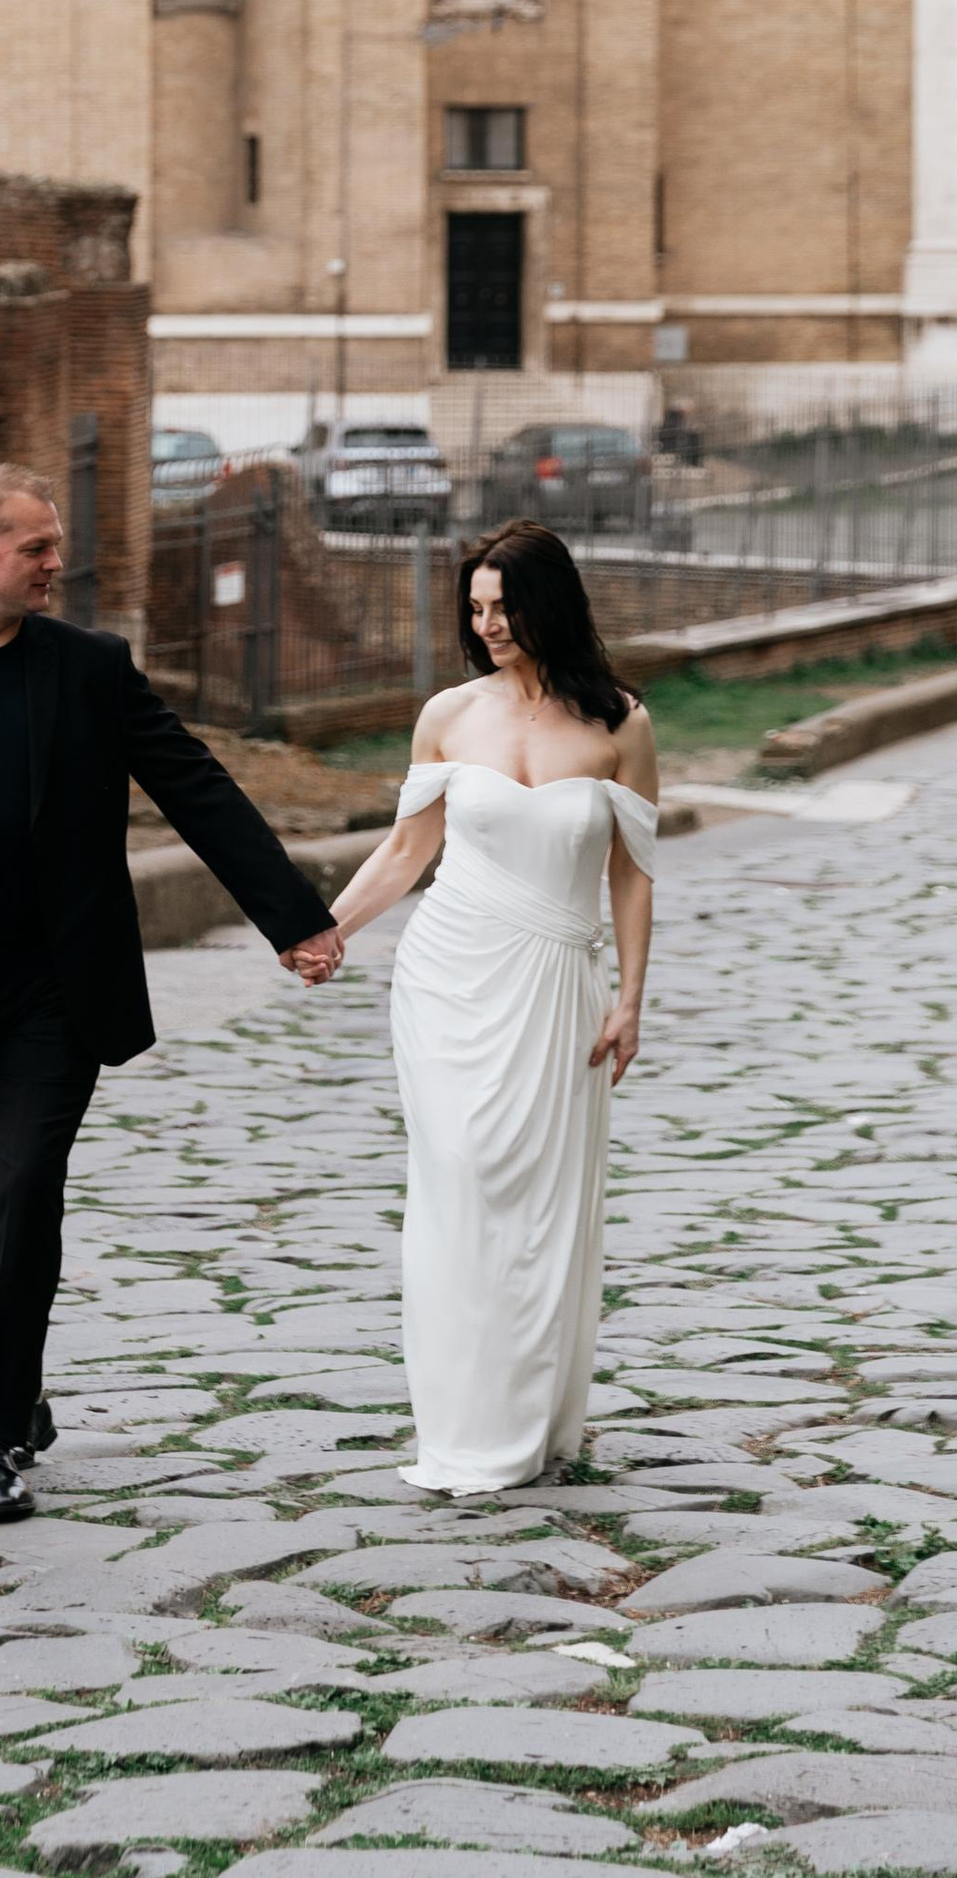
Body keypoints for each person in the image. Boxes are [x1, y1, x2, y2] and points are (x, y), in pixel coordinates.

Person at [0, 456, 343, 1524]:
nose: (60, 562)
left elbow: (193, 782)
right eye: (38, 547)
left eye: (55, 544)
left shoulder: (89, 668)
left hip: (57, 991)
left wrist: (295, 915)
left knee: (23, 1191)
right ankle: (19, 1388)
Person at [324, 518, 657, 1495]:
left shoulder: (620, 724)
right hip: (447, 978)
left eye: (503, 606)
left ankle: (530, 1418)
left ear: (548, 604)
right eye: (474, 609)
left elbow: (632, 876)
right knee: (459, 1183)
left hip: (557, 982)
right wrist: (324, 928)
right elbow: (405, 851)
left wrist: (630, 998)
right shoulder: (446, 716)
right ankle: (460, 1423)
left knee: (542, 1206)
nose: (488, 625)